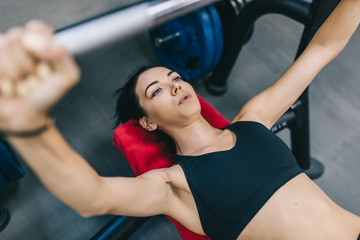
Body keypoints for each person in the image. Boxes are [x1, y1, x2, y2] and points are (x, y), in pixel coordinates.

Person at [0, 0, 360, 239]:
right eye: (156, 91)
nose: (174, 88)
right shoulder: (175, 186)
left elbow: (322, 48)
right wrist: (29, 125)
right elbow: (93, 198)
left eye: (175, 78)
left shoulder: (254, 119)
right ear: (148, 123)